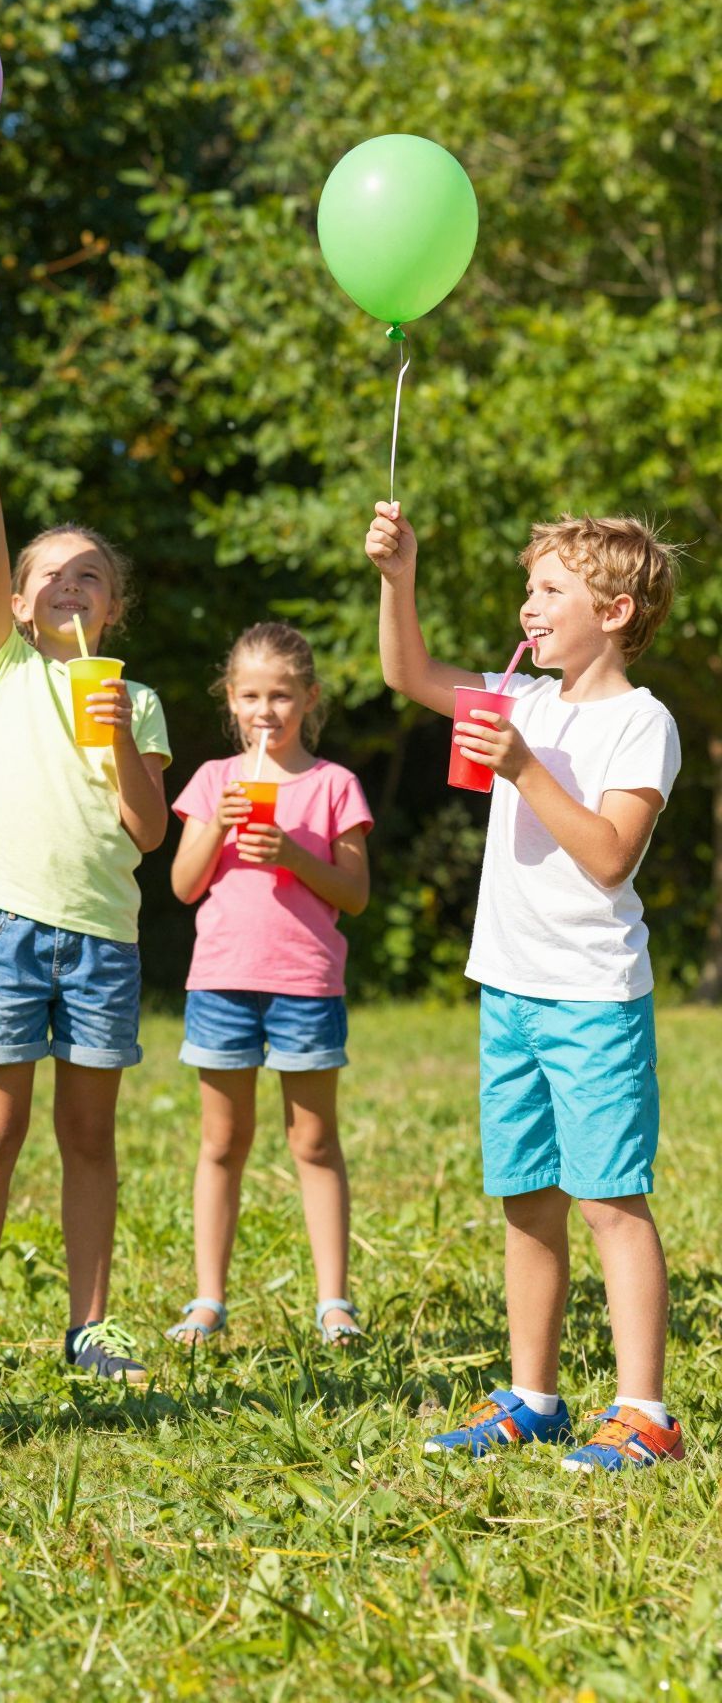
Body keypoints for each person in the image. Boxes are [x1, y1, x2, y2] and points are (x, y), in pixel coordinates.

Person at [366, 501, 682, 1472]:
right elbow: (406, 673)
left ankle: (646, 1415)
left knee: (609, 1199)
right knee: (528, 1195)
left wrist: (528, 768)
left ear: (617, 609)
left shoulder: (640, 723)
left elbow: (611, 856)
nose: (527, 606)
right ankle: (532, 1397)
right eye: (529, 587)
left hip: (591, 996)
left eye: (551, 589)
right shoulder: (524, 701)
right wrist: (398, 576)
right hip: (508, 988)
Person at [0, 383, 170, 1392]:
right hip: (3, 926)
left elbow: (149, 829)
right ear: (21, 603)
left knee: (89, 1135)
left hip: (103, 937)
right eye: (52, 576)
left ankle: (92, 1323)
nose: (71, 586)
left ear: (113, 605)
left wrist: (116, 727)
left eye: (92, 576)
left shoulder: (140, 697)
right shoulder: (5, 672)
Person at [165, 623, 372, 1350]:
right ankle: (208, 1299)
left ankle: (334, 1301)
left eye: (282, 695)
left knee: (314, 1141)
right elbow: (183, 886)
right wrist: (216, 830)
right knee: (223, 1142)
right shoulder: (214, 782)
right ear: (230, 699)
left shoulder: (333, 787)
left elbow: (353, 894)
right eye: (251, 695)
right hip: (222, 982)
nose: (266, 711)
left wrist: (292, 852)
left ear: (309, 698)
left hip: (306, 985)